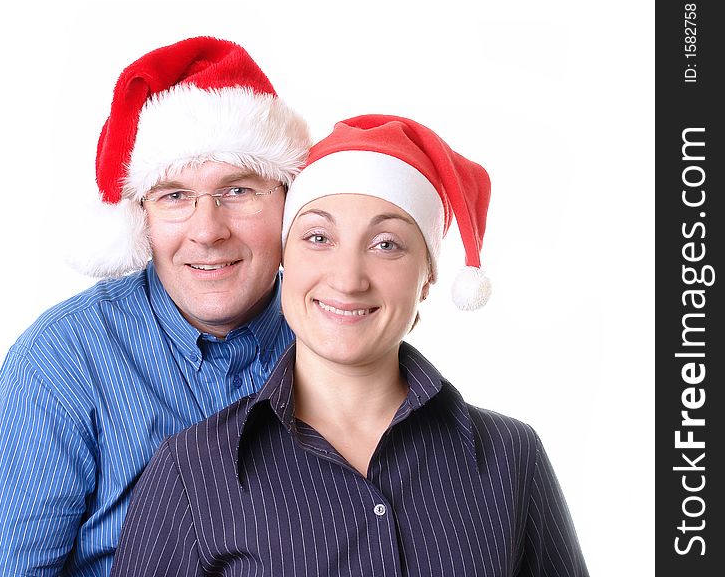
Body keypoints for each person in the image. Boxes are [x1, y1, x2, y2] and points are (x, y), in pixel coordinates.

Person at [110, 115, 589, 576]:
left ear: (427, 279)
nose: (347, 278)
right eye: (318, 237)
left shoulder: (511, 457)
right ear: (285, 260)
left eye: (386, 245)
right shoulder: (191, 473)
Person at [0, 36, 311, 577]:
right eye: (175, 196)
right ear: (141, 218)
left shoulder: (333, 338)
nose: (208, 230)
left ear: (289, 202)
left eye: (239, 189)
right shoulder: (64, 363)